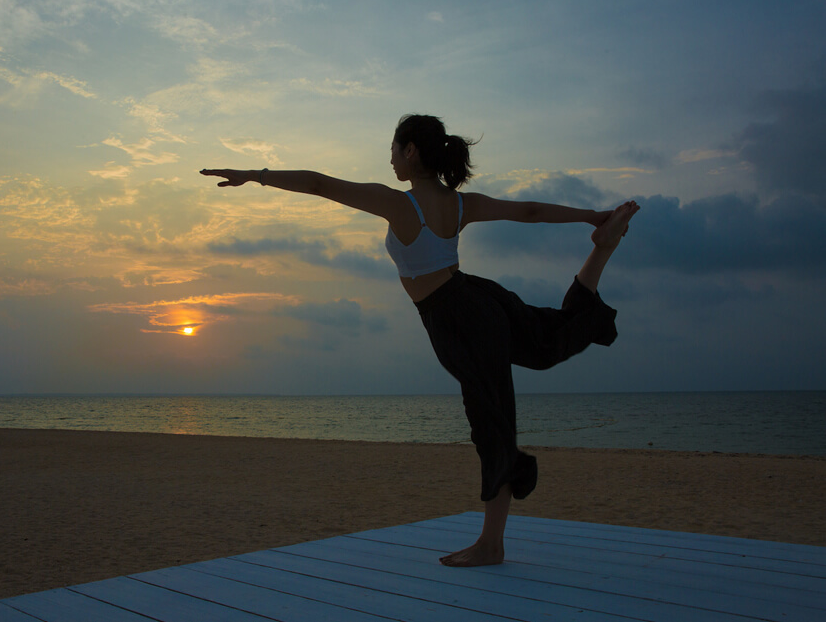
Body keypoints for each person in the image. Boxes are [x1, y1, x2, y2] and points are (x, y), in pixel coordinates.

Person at [201, 114, 640, 567]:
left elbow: (319, 183)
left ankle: (491, 545)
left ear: (411, 151)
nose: (389, 158)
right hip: (478, 299)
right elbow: (527, 211)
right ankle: (602, 246)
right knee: (545, 346)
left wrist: (254, 176)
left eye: (394, 149)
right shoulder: (459, 204)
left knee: (493, 422)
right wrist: (593, 216)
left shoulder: (398, 204)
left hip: (457, 318)